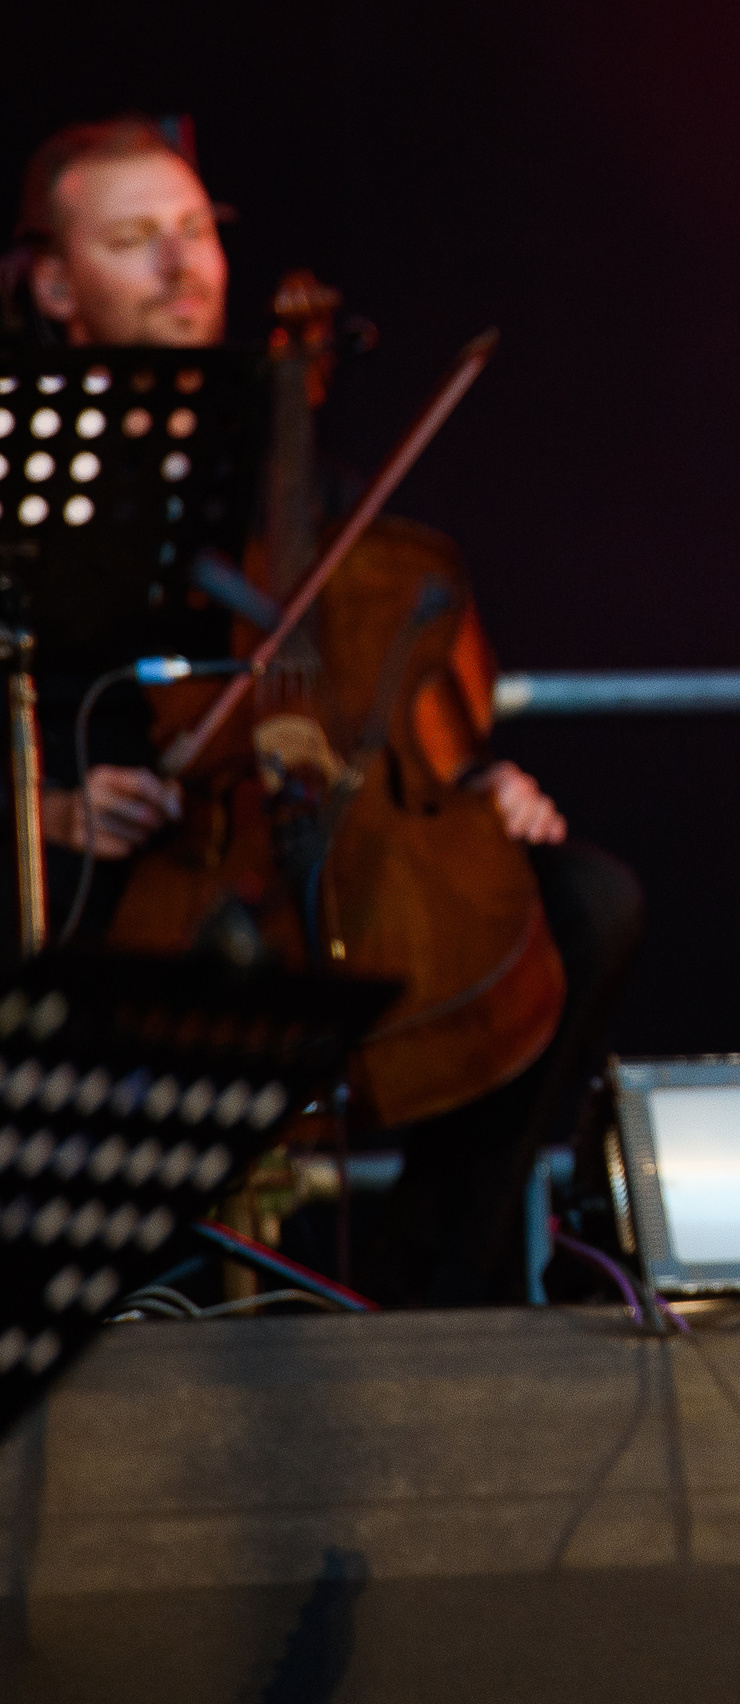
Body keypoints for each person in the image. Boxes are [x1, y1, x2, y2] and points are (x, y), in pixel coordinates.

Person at [8, 116, 646, 1304]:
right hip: (112, 873)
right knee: (227, 960)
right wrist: (42, 809)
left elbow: (379, 683)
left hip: (336, 831)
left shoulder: (289, 466)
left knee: (582, 904)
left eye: (195, 231)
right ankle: (160, 1309)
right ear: (54, 280)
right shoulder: (28, 476)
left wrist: (470, 783)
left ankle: (435, 1278)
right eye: (134, 239)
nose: (180, 265)